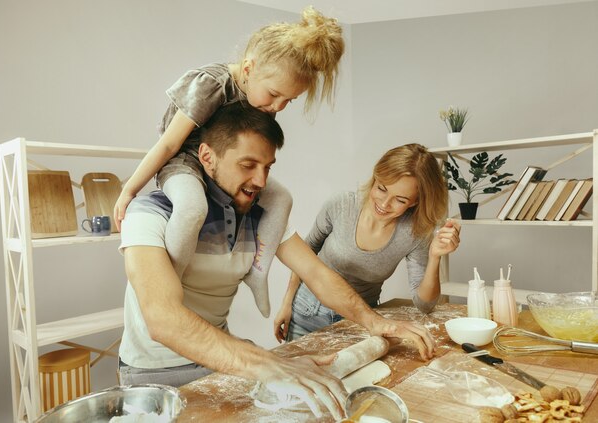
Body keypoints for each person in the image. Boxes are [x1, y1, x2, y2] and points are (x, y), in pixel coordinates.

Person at [118, 104, 435, 420]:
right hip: (154, 376)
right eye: (248, 165)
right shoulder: (148, 215)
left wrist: (375, 322)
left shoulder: (259, 218)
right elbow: (162, 319)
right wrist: (266, 362)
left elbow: (316, 272)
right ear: (206, 157)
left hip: (222, 363)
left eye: (267, 167)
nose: (260, 180)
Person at [113, 6, 345, 319]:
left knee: (282, 199)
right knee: (193, 207)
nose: (278, 106)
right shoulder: (212, 84)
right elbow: (168, 143)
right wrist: (130, 189)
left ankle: (258, 273)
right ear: (248, 69)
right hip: (185, 159)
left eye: (288, 101)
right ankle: (175, 284)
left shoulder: (261, 100)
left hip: (220, 167)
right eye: (275, 94)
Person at [274, 143, 462, 342]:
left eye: (400, 199)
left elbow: (425, 305)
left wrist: (435, 257)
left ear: (415, 201)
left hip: (360, 322)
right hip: (305, 313)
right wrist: (286, 304)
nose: (384, 204)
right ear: (375, 179)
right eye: (381, 188)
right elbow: (304, 253)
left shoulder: (415, 233)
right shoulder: (342, 205)